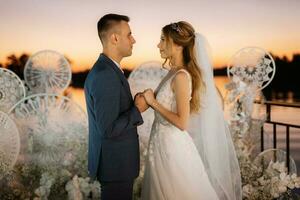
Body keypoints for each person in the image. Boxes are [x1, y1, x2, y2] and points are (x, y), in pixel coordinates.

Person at [141, 21, 242, 200]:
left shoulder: (181, 76)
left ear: (178, 44)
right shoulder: (172, 71)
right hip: (160, 143)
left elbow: (182, 122)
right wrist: (146, 100)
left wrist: (153, 102)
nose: (158, 44)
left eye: (163, 39)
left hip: (172, 148)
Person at [84, 13, 148, 200]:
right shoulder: (105, 74)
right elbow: (108, 128)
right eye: (129, 34)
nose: (133, 40)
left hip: (116, 165)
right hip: (115, 166)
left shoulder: (108, 69)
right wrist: (137, 110)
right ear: (114, 38)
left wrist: (133, 104)